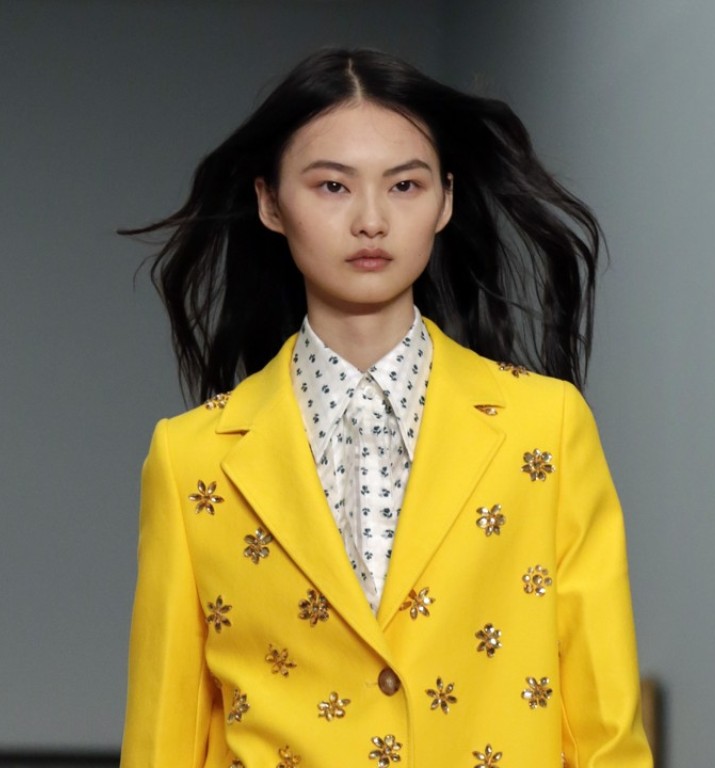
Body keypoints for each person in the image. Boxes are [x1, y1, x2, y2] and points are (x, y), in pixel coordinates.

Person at [120, 48, 652, 768]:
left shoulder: (545, 429)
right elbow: (165, 736)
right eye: (333, 186)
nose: (371, 220)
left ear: (446, 200)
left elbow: (606, 726)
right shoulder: (194, 457)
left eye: (404, 185)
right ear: (270, 203)